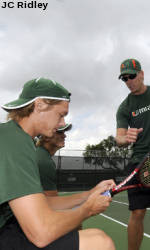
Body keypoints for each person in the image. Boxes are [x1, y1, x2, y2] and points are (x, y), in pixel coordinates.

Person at [0, 77, 116, 250]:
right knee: (101, 243)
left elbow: (44, 203)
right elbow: (41, 233)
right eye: (61, 115)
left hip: (8, 227)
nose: (62, 123)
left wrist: (89, 194)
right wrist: (87, 209)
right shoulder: (15, 141)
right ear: (39, 105)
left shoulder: (16, 137)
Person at [115, 59, 150, 250]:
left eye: (132, 76)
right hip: (139, 162)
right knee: (137, 213)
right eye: (124, 78)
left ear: (142, 74)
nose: (128, 81)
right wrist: (125, 137)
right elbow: (119, 138)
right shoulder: (124, 107)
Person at [36, 123, 72, 197]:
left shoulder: (40, 154)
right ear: (46, 137)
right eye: (60, 132)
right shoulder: (44, 161)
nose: (64, 136)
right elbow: (53, 203)